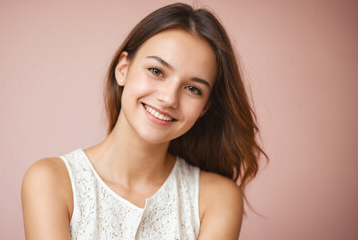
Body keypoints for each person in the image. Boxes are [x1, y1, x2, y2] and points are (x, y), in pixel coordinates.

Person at [21, 2, 266, 239]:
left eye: (192, 88)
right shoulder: (50, 181)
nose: (169, 98)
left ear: (204, 108)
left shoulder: (217, 199)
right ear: (123, 69)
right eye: (157, 71)